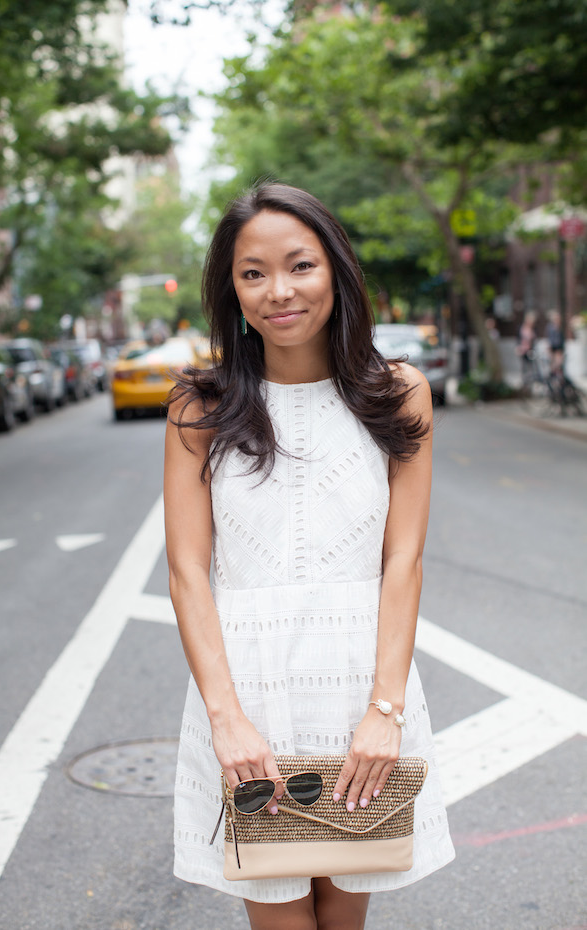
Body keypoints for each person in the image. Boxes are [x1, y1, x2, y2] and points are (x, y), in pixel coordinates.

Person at [164, 183, 455, 929]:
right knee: (281, 916)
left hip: (362, 695)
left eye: (299, 265)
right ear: (230, 290)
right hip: (248, 703)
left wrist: (384, 710)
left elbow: (404, 562)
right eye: (252, 273)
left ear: (337, 272)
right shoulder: (200, 409)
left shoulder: (399, 395)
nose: (278, 291)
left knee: (345, 913)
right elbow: (188, 570)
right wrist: (227, 718)